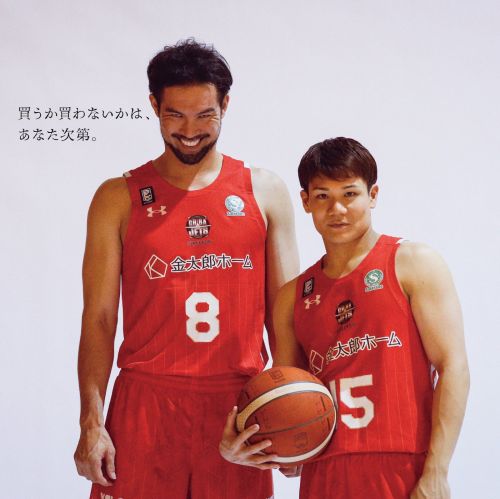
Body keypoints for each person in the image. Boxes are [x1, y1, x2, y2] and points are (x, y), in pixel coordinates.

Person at [73, 38, 299, 499]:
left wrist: (292, 410)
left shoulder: (264, 191)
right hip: (145, 403)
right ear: (154, 105)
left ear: (226, 105)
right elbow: (99, 319)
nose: (190, 131)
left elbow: (285, 316)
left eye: (204, 115)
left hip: (238, 407)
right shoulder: (117, 197)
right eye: (175, 115)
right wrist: (91, 422)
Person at [220, 137, 469, 498]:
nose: (337, 209)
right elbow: (285, 404)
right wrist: (245, 449)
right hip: (324, 474)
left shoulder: (413, 263)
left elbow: (453, 367)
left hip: (403, 466)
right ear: (305, 201)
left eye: (350, 194)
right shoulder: (292, 297)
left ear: (373, 195)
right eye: (322, 196)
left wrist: (436, 472)